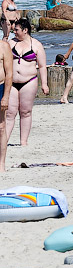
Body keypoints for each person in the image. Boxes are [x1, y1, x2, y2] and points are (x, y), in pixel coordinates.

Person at [6, 18, 48, 147]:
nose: (14, 32)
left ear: (25, 30)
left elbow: (42, 66)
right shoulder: (10, 43)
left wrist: (45, 84)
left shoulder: (36, 45)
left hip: (29, 81)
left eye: (17, 30)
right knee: (10, 112)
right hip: (12, 82)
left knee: (26, 111)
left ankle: (23, 142)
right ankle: (4, 141)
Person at [0, 36, 11, 171]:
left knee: (1, 126)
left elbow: (9, 74)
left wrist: (6, 96)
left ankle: (1, 164)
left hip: (0, 87)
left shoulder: (4, 46)